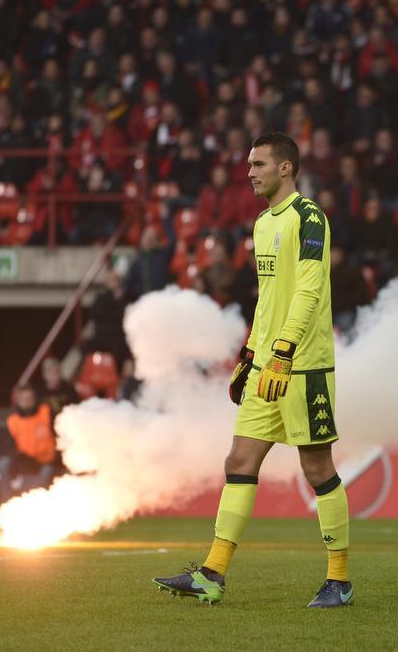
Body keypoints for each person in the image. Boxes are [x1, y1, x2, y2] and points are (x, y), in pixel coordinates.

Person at [152, 132, 351, 608]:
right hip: (268, 362)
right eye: (248, 164)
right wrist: (250, 354)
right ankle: (212, 574)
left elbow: (308, 292)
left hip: (303, 365)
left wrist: (283, 350)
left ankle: (339, 580)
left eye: (259, 163)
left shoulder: (310, 218)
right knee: (239, 462)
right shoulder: (263, 223)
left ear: (286, 168)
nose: (249, 172)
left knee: (317, 466)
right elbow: (268, 301)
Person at [0, 384, 61, 500]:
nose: (27, 402)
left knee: (46, 475)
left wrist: (55, 457)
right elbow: (10, 447)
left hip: (46, 462)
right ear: (18, 401)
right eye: (24, 399)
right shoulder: (13, 421)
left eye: (30, 398)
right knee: (4, 462)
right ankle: (6, 502)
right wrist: (21, 458)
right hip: (24, 461)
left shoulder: (46, 413)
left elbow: (60, 436)